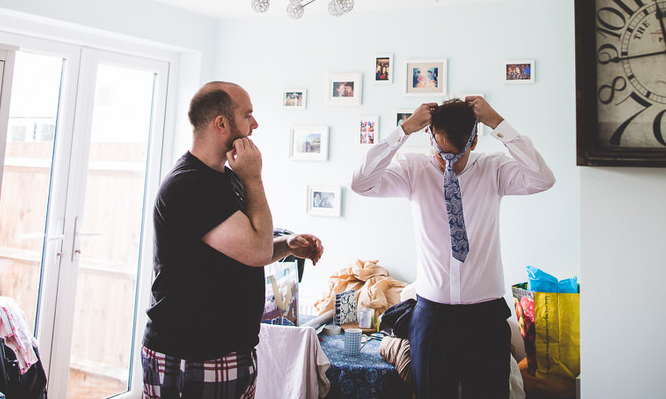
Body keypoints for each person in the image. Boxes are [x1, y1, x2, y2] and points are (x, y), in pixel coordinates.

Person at [351, 96, 555, 399]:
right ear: (430, 137)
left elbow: (543, 178)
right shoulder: (412, 170)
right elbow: (361, 183)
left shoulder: (494, 169)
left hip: (485, 318)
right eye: (440, 151)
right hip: (432, 318)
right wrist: (403, 130)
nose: (446, 162)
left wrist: (498, 123)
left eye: (455, 155)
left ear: (472, 143)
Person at [142, 81, 324, 399]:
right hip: (193, 352)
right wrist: (253, 176)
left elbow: (245, 247)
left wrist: (286, 246)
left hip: (230, 349)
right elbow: (254, 251)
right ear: (221, 123)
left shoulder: (225, 177)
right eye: (248, 115)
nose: (255, 124)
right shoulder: (189, 185)